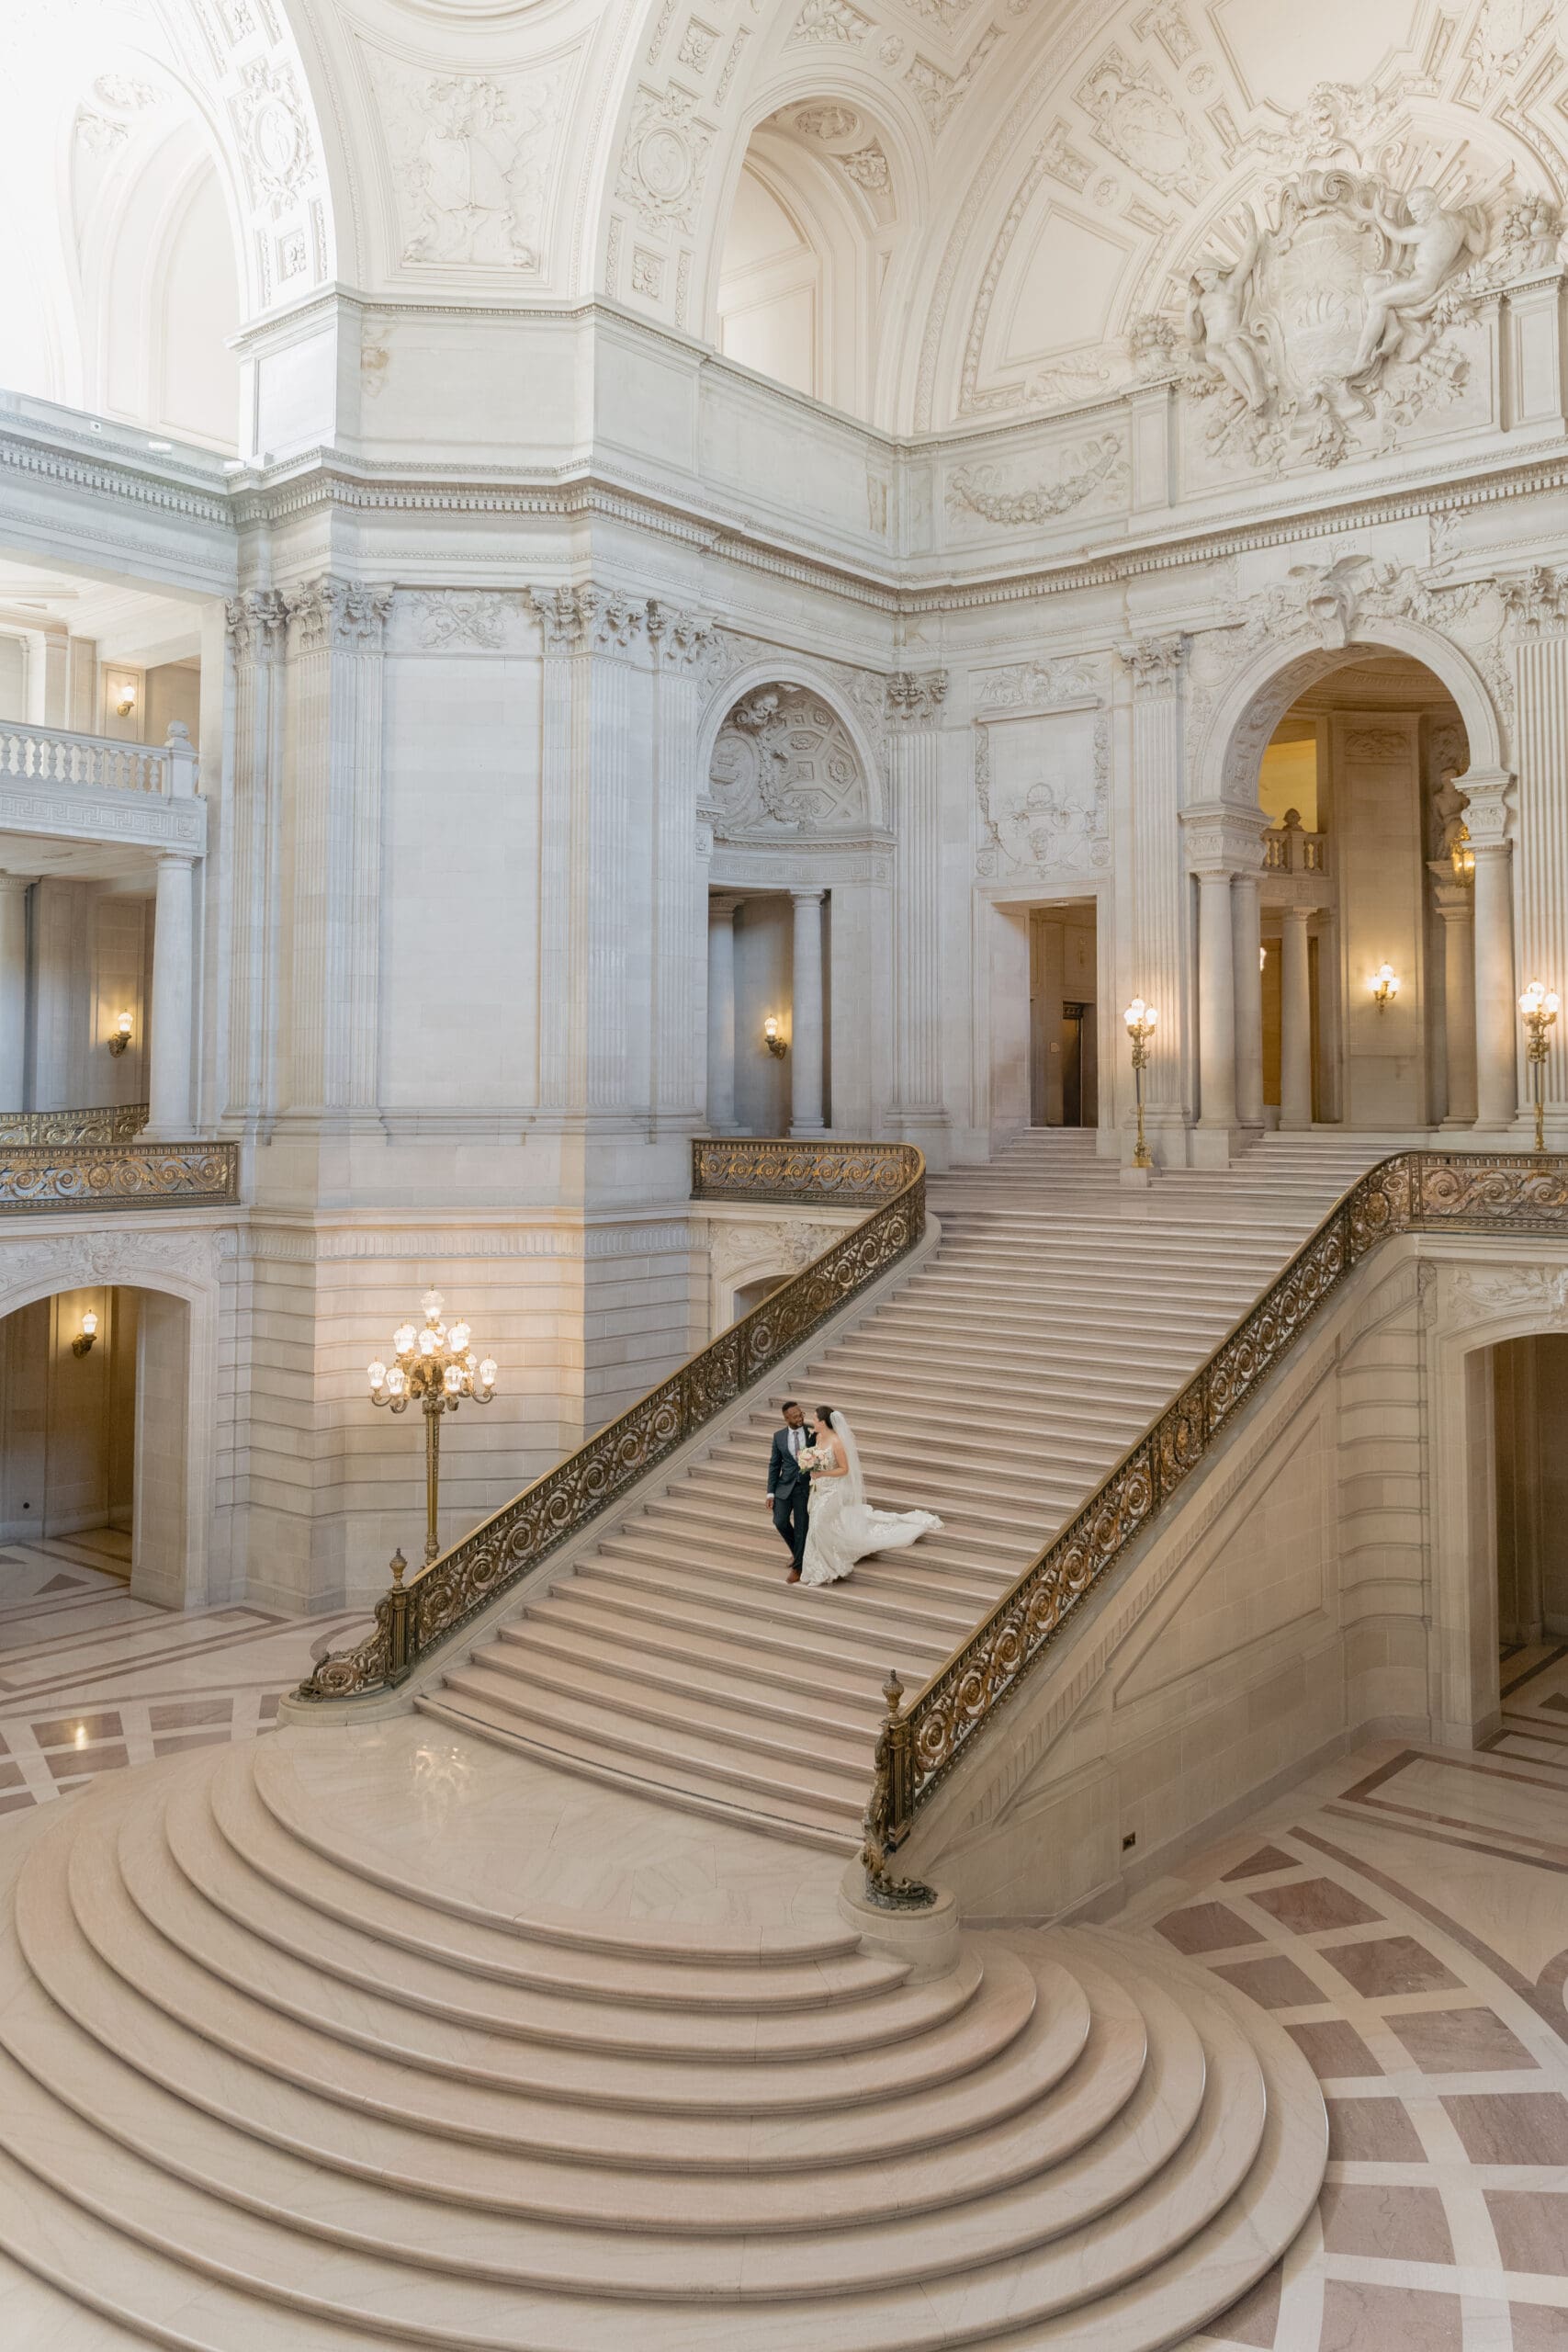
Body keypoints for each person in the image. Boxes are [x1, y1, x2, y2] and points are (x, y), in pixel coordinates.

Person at [797, 1404, 942, 1589]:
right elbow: (819, 1461)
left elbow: (844, 1469)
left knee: (818, 1526)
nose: (813, 1422)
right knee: (816, 1527)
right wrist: (811, 1465)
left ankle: (829, 1568)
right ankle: (814, 1569)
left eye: (816, 1419)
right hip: (819, 1489)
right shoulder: (818, 1437)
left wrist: (823, 1473)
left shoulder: (837, 1442)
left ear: (824, 1422)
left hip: (833, 1492)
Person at [766, 1400, 813, 1583]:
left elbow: (821, 1457)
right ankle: (798, 1552)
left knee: (802, 1528)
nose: (800, 1418)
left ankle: (798, 1568)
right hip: (783, 1487)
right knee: (780, 1521)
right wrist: (770, 1492)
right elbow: (774, 1464)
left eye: (801, 1414)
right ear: (786, 1418)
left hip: (804, 1487)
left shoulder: (812, 1432)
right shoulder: (778, 1437)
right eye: (795, 1416)